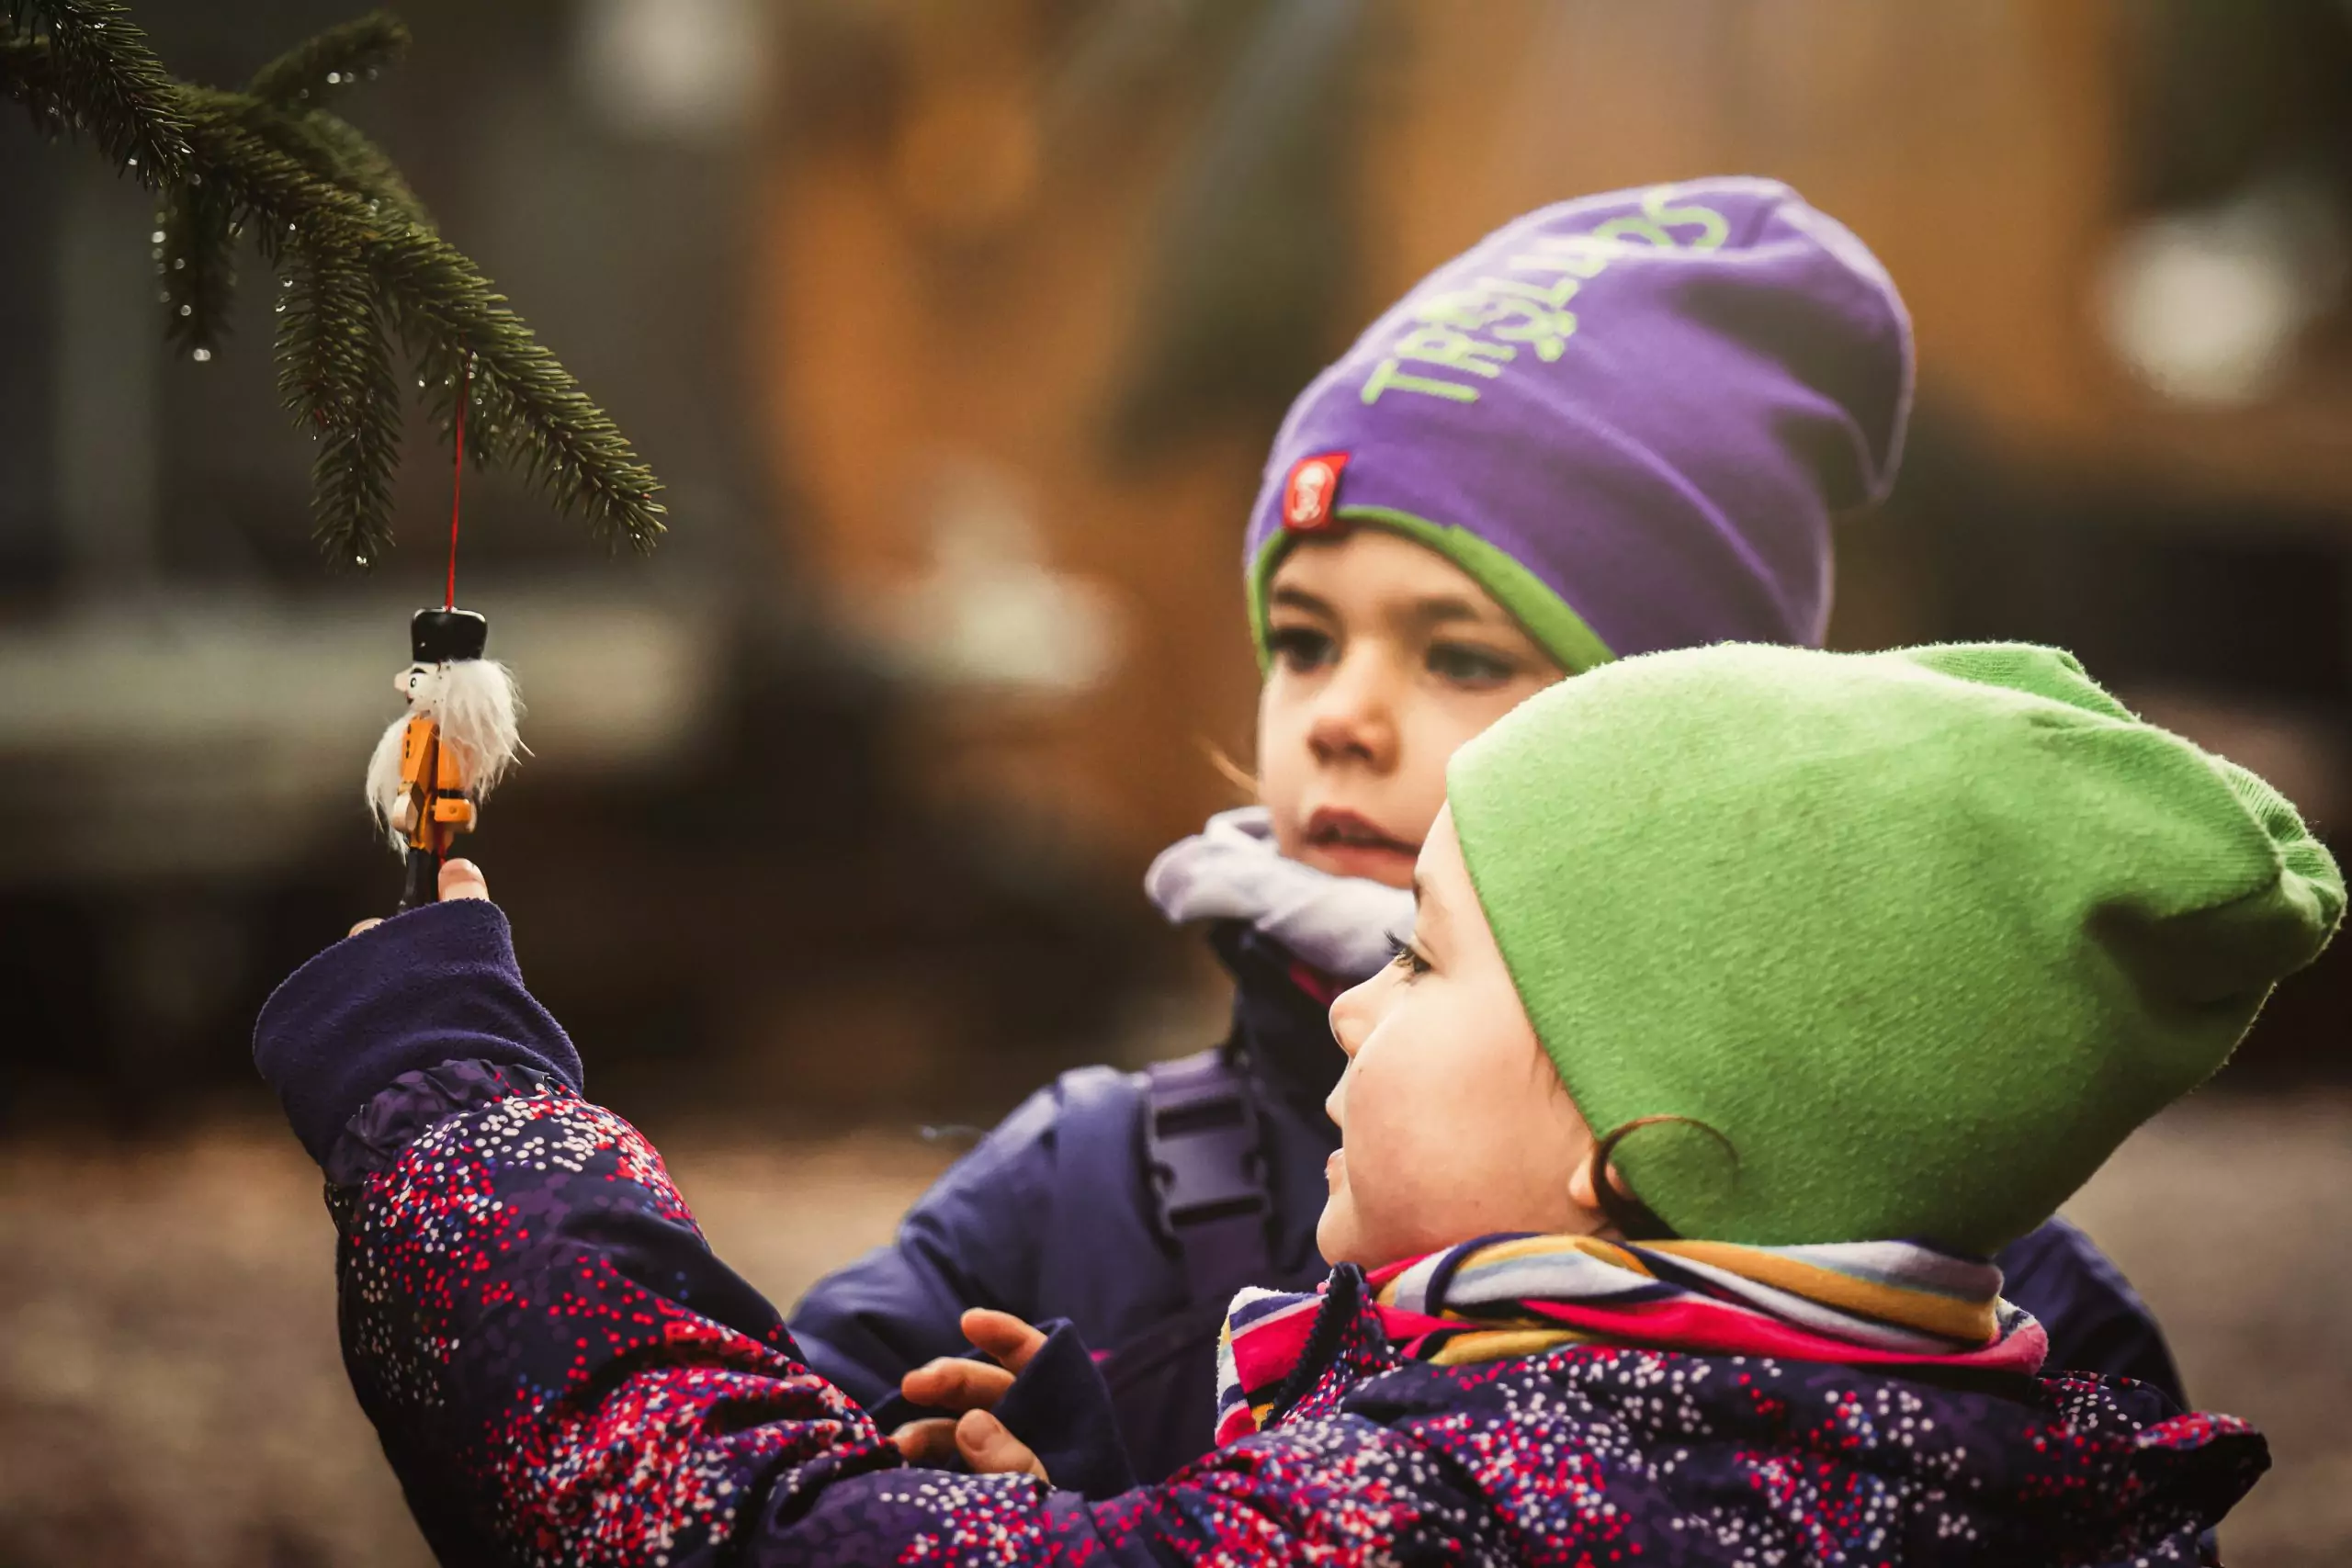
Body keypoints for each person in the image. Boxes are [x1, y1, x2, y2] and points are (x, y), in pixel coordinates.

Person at [254, 639, 2338, 1565]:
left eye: (1422, 962)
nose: (1349, 1016)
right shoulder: (1994, 1447)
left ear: (1637, 1152)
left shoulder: (1515, 1509)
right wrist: (1134, 1512)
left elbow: (730, 1539)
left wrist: (459, 1118)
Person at [785, 177, 2183, 1482]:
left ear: (1687, 754)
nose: (1343, 717)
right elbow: (757, 1490)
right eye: (1303, 638)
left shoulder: (1974, 1303)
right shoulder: (1082, 1191)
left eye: (1457, 656)